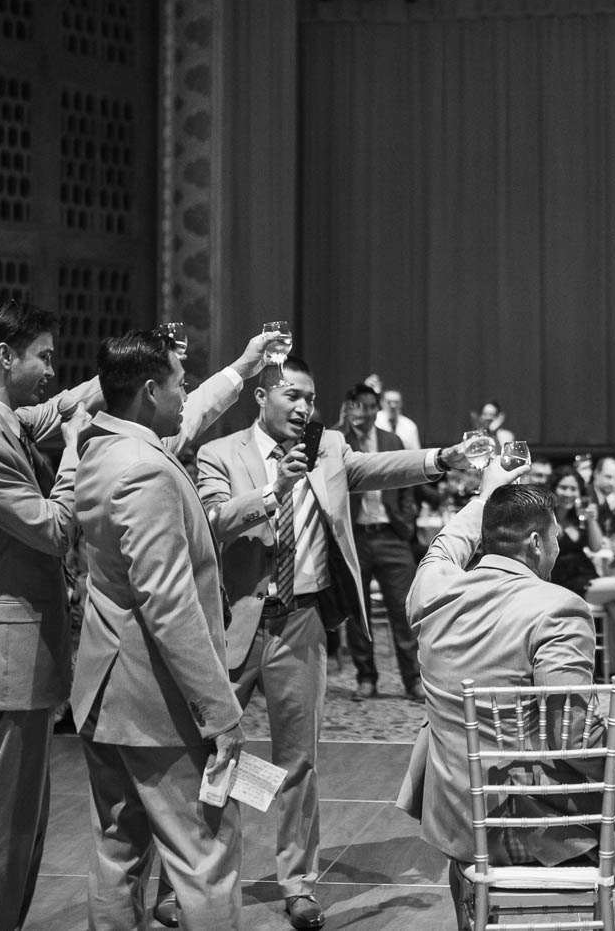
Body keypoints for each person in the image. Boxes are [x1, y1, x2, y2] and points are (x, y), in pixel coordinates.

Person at [0, 300, 264, 931]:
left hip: (97, 679)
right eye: (44, 356)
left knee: (115, 847)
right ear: (5, 355)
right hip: (105, 679)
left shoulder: (75, 435)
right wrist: (220, 710)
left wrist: (219, 371)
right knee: (11, 829)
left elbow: (93, 404)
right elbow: (139, 584)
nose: (52, 371)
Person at [195, 356, 466, 931]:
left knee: (298, 761)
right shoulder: (221, 454)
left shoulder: (329, 448)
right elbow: (214, 519)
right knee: (214, 752)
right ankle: (197, 877)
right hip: (238, 620)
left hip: (303, 621)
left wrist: (440, 459)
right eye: (292, 395)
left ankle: (298, 882)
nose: (304, 409)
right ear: (261, 396)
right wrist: (275, 488)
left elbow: (378, 467)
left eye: (310, 399)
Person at [397, 459, 615, 931]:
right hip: (532, 829)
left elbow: (443, 547)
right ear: (536, 542)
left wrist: (485, 494)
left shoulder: (430, 592)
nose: (557, 547)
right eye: (555, 537)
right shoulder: (556, 607)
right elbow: (576, 739)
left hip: (457, 821)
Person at [70, 332, 247, 931]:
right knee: (206, 856)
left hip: (105, 691)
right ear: (150, 390)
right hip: (157, 704)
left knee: (118, 854)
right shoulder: (144, 469)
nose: (186, 392)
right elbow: (168, 604)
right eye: (179, 382)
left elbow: (182, 421)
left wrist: (241, 370)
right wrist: (219, 710)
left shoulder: (98, 447)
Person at [333, 382, 424, 702]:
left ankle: (413, 679)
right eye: (361, 406)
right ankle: (366, 677)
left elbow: (408, 484)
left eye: (373, 406)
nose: (368, 413)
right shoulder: (337, 438)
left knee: (405, 610)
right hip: (354, 535)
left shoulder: (392, 440)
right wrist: (345, 426)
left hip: (391, 534)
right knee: (359, 612)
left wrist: (407, 521)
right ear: (350, 406)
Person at [549, 469, 615, 679]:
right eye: (563, 488)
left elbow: (596, 547)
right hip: (563, 583)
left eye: (573, 489)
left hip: (586, 577)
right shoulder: (545, 518)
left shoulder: (577, 518)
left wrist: (592, 520)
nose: (568, 493)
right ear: (554, 489)